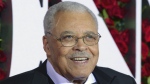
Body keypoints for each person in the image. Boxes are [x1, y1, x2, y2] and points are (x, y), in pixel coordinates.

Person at [1, 1, 136, 84]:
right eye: (69, 37)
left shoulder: (123, 82)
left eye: (89, 37)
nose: (81, 46)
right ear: (47, 45)